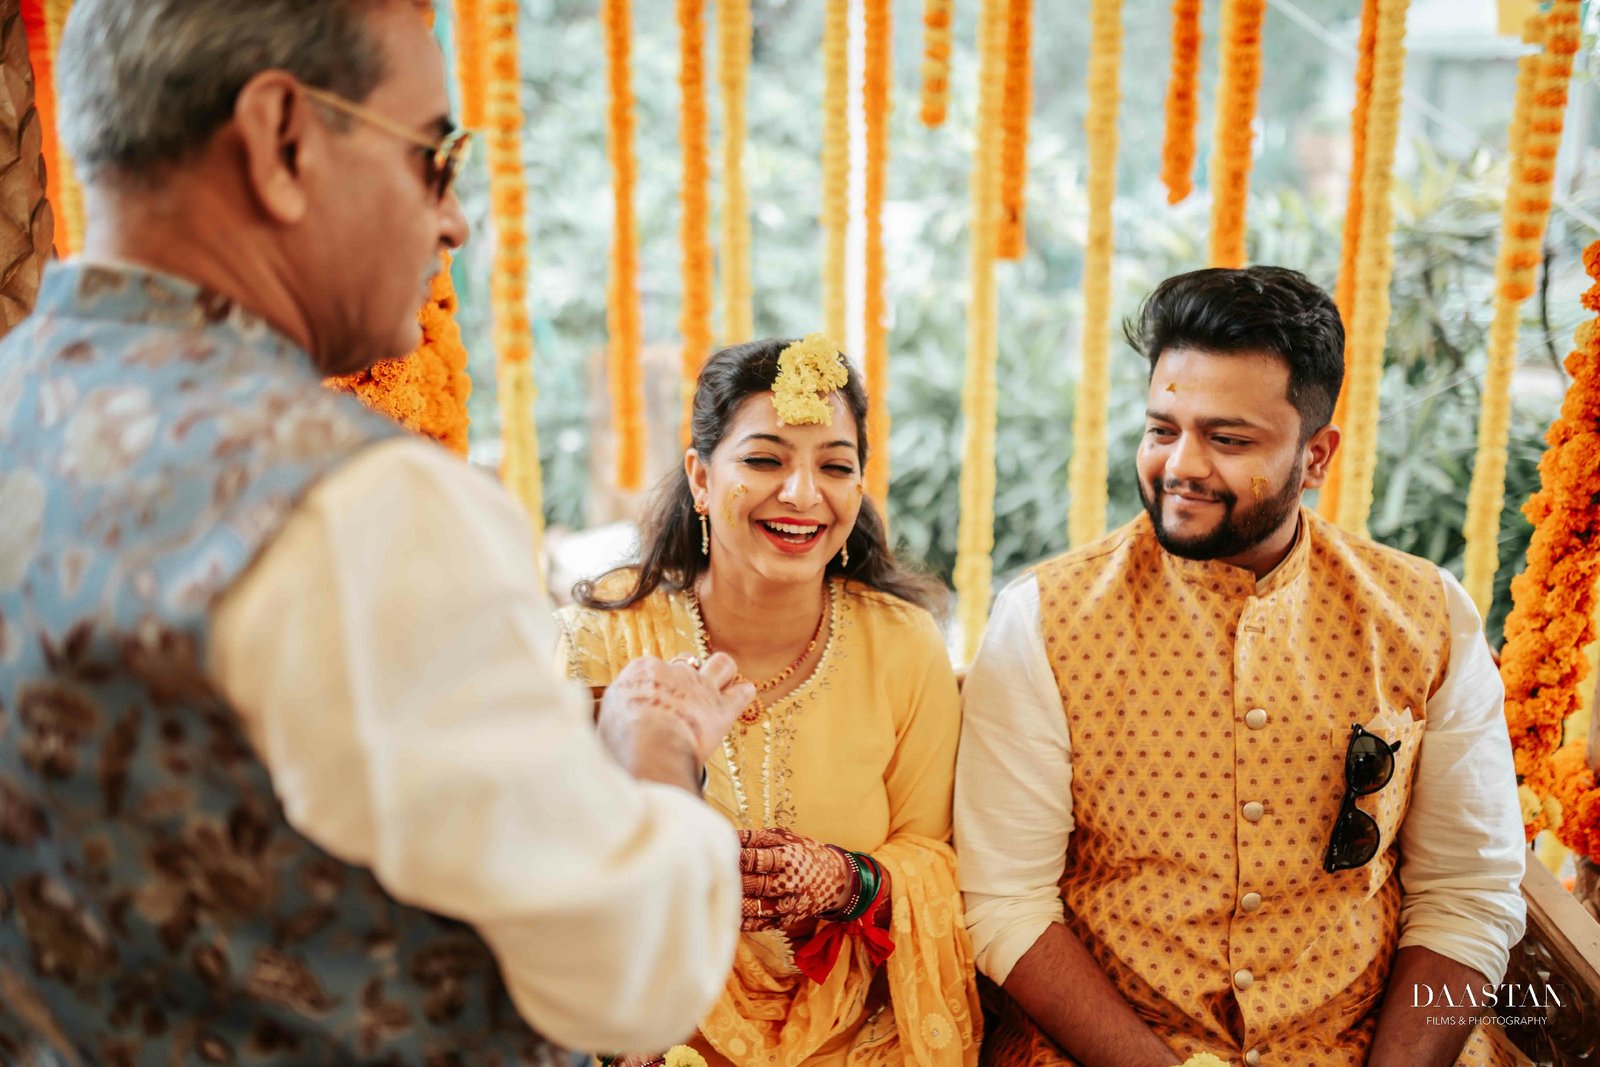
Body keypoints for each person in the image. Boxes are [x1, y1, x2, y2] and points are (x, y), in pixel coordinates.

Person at [0, 1, 752, 1062]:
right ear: (283, 141)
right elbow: (633, 967)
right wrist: (653, 748)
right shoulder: (357, 507)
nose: (455, 223)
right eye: (436, 158)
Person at [954, 267, 1526, 1067]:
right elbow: (1008, 902)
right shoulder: (1045, 620)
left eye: (1227, 439)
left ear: (1316, 455)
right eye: (1162, 429)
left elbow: (1466, 893)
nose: (1182, 466)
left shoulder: (1424, 618)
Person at [556, 336, 981, 1066]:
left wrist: (848, 880)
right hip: (655, 1036)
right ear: (699, 476)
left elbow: (935, 858)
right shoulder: (606, 644)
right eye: (764, 459)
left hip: (857, 1041)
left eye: (835, 466)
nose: (802, 493)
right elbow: (554, 864)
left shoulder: (905, 645)